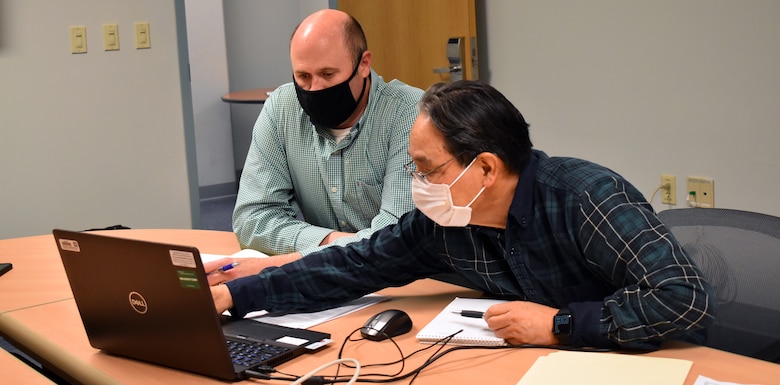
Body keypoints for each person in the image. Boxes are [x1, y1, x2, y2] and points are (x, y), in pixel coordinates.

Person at [210, 80, 716, 350]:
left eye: (428, 169)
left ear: (486, 169)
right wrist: (234, 295)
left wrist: (560, 324)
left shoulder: (586, 197)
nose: (418, 184)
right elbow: (351, 265)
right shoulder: (443, 223)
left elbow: (683, 299)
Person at [233, 9, 423, 256]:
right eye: (303, 76)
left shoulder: (410, 113)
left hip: (407, 280)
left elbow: (397, 238)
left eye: (327, 74)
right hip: (325, 277)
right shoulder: (282, 107)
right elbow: (252, 221)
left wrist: (307, 242)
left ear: (364, 63)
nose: (315, 88)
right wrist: (328, 240)